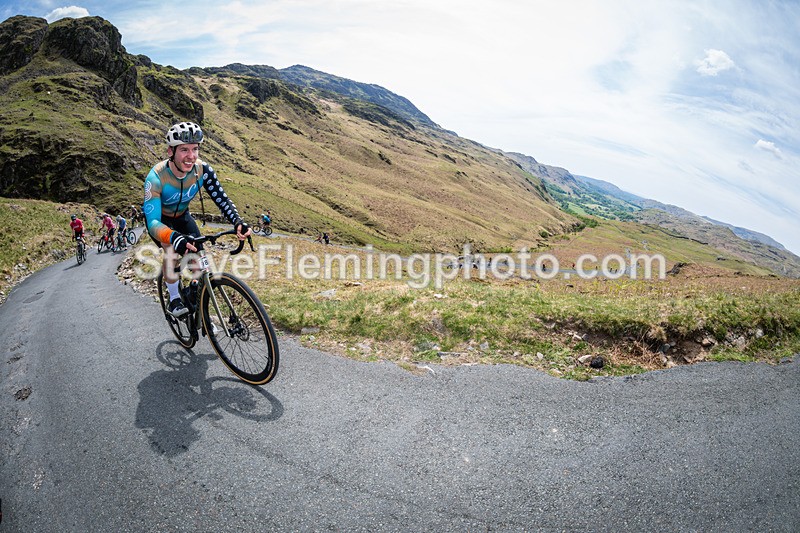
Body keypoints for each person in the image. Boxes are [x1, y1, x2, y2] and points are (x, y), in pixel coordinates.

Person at [143, 121, 250, 317]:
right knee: (171, 252)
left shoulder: (203, 170)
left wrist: (237, 221)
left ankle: (197, 300)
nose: (191, 156)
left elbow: (222, 199)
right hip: (162, 222)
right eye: (184, 150)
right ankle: (174, 298)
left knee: (199, 264)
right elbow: (152, 223)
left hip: (183, 217)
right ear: (170, 151)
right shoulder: (156, 177)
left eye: (195, 149)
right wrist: (174, 237)